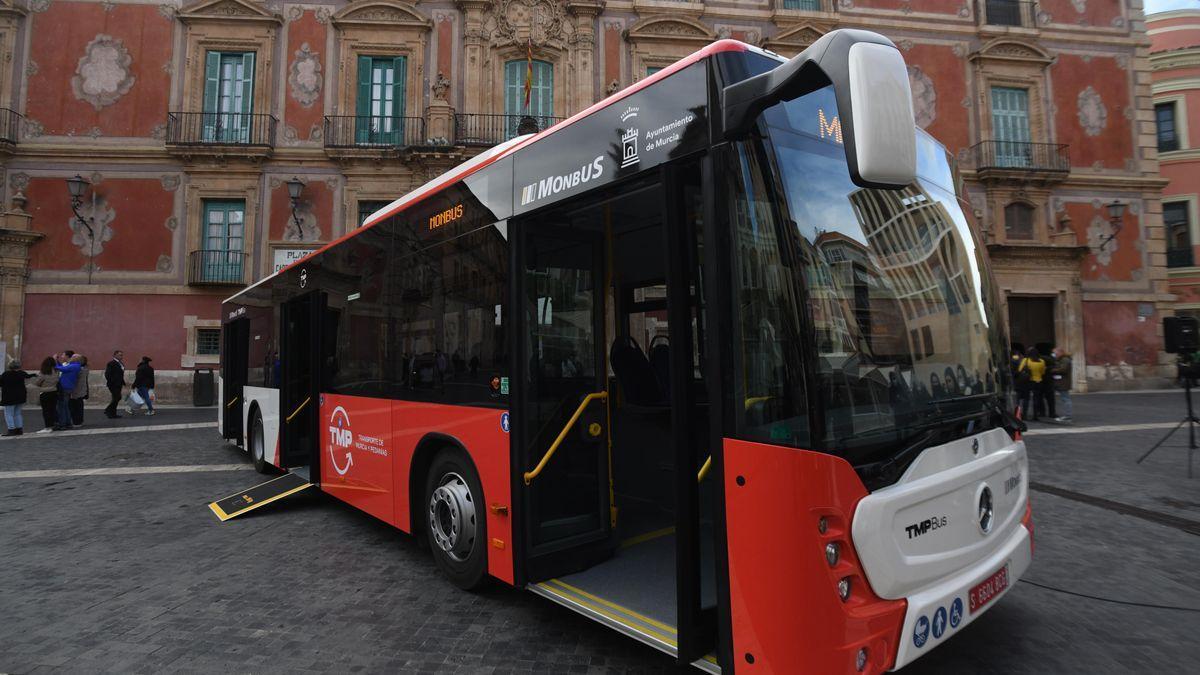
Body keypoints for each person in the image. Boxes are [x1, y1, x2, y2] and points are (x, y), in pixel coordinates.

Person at [0, 361, 34, 436]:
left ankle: (11, 429)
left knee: (9, 414)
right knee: (17, 413)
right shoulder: (22, 373)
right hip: (20, 396)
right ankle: (19, 429)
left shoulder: (6, 374)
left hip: (9, 397)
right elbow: (28, 376)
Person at [53, 354, 83, 430]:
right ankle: (68, 423)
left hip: (64, 387)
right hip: (68, 387)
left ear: (76, 359)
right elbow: (63, 368)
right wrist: (57, 361)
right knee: (65, 406)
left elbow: (60, 368)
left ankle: (62, 424)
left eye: (73, 357)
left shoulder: (74, 366)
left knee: (61, 406)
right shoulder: (74, 365)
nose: (71, 358)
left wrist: (54, 361)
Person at [1017, 347, 1047, 421]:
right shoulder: (1042, 361)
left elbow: (1020, 370)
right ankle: (1035, 415)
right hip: (1038, 381)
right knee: (1036, 399)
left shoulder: (1026, 360)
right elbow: (1043, 372)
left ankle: (1025, 415)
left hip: (1028, 381)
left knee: (1026, 398)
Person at [31, 357, 59, 433]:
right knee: (52, 410)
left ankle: (48, 427)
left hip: (45, 392)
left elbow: (38, 382)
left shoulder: (43, 372)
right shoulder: (56, 371)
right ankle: (53, 425)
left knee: (46, 411)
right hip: (54, 392)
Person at [1051, 348, 1073, 423]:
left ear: (1060, 353)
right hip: (1062, 382)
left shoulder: (1065, 360)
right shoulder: (1061, 360)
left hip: (1064, 382)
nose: (1054, 354)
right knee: (1065, 399)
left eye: (1055, 353)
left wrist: (1052, 370)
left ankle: (1068, 416)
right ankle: (1067, 415)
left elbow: (1063, 369)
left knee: (1066, 399)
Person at [104, 350, 125, 418]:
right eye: (120, 355)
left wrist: (123, 382)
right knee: (117, 397)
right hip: (113, 384)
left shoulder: (120, 363)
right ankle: (108, 410)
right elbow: (107, 374)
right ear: (115, 355)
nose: (121, 356)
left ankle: (112, 414)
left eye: (122, 355)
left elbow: (120, 374)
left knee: (115, 398)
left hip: (119, 384)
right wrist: (112, 382)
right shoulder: (111, 363)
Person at [69, 355, 89, 426]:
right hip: (80, 390)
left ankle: (76, 421)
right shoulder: (85, 368)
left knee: (74, 407)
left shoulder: (78, 369)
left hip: (75, 391)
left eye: (72, 358)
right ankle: (79, 421)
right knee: (79, 406)